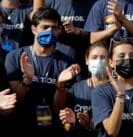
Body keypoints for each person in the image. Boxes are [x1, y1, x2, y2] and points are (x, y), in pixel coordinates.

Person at [4, 8, 78, 136]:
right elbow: (16, 99)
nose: (50, 31)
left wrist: (60, 86)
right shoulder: (15, 57)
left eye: (54, 28)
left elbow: (59, 107)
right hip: (21, 123)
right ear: (34, 29)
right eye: (45, 27)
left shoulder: (66, 62)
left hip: (53, 125)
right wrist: (27, 80)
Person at [56, 42, 109, 137]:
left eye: (103, 57)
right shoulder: (76, 88)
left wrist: (90, 125)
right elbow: (66, 125)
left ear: (110, 61)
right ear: (86, 60)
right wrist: (71, 123)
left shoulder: (115, 89)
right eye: (94, 57)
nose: (98, 61)